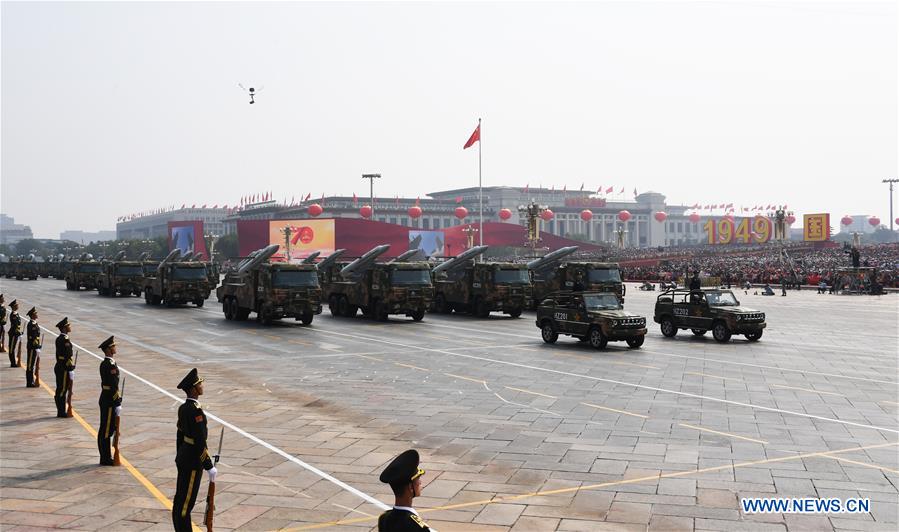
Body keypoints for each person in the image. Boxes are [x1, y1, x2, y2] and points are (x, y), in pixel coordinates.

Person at [172, 368, 216, 532]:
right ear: (193, 389)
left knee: (180, 499)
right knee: (185, 504)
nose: (202, 386)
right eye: (199, 384)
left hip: (184, 457)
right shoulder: (195, 411)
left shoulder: (183, 408)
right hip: (192, 461)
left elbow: (180, 435)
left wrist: (180, 454)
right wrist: (208, 465)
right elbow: (199, 441)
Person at [378, 449, 433, 531]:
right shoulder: (417, 527)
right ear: (410, 487)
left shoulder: (384, 519)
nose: (420, 482)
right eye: (417, 479)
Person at [97, 336, 122, 466]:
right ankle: (105, 458)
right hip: (109, 400)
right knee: (106, 430)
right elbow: (112, 385)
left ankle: (105, 456)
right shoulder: (108, 364)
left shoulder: (109, 363)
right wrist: (116, 400)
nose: (115, 348)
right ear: (108, 349)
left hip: (107, 398)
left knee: (108, 428)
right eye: (113, 346)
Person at [54, 317, 76, 417]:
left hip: (62, 366)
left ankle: (61, 410)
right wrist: (69, 367)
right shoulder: (64, 339)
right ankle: (61, 411)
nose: (69, 327)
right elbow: (66, 356)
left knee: (62, 389)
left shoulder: (62, 338)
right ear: (64, 328)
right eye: (68, 326)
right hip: (63, 368)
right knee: (62, 390)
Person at [25, 307, 41, 387]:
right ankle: (29, 382)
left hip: (34, 346)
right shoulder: (31, 324)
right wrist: (36, 346)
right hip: (32, 347)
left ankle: (31, 381)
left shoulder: (34, 323)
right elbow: (33, 337)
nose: (37, 314)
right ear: (32, 315)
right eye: (35, 313)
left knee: (32, 364)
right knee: (30, 365)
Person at [7, 299, 22, 367]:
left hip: (16, 333)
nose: (18, 306)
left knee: (13, 348)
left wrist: (19, 332)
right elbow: (15, 326)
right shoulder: (13, 315)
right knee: (11, 349)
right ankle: (12, 363)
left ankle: (13, 362)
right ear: (13, 306)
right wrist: (18, 332)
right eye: (16, 305)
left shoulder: (16, 314)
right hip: (13, 334)